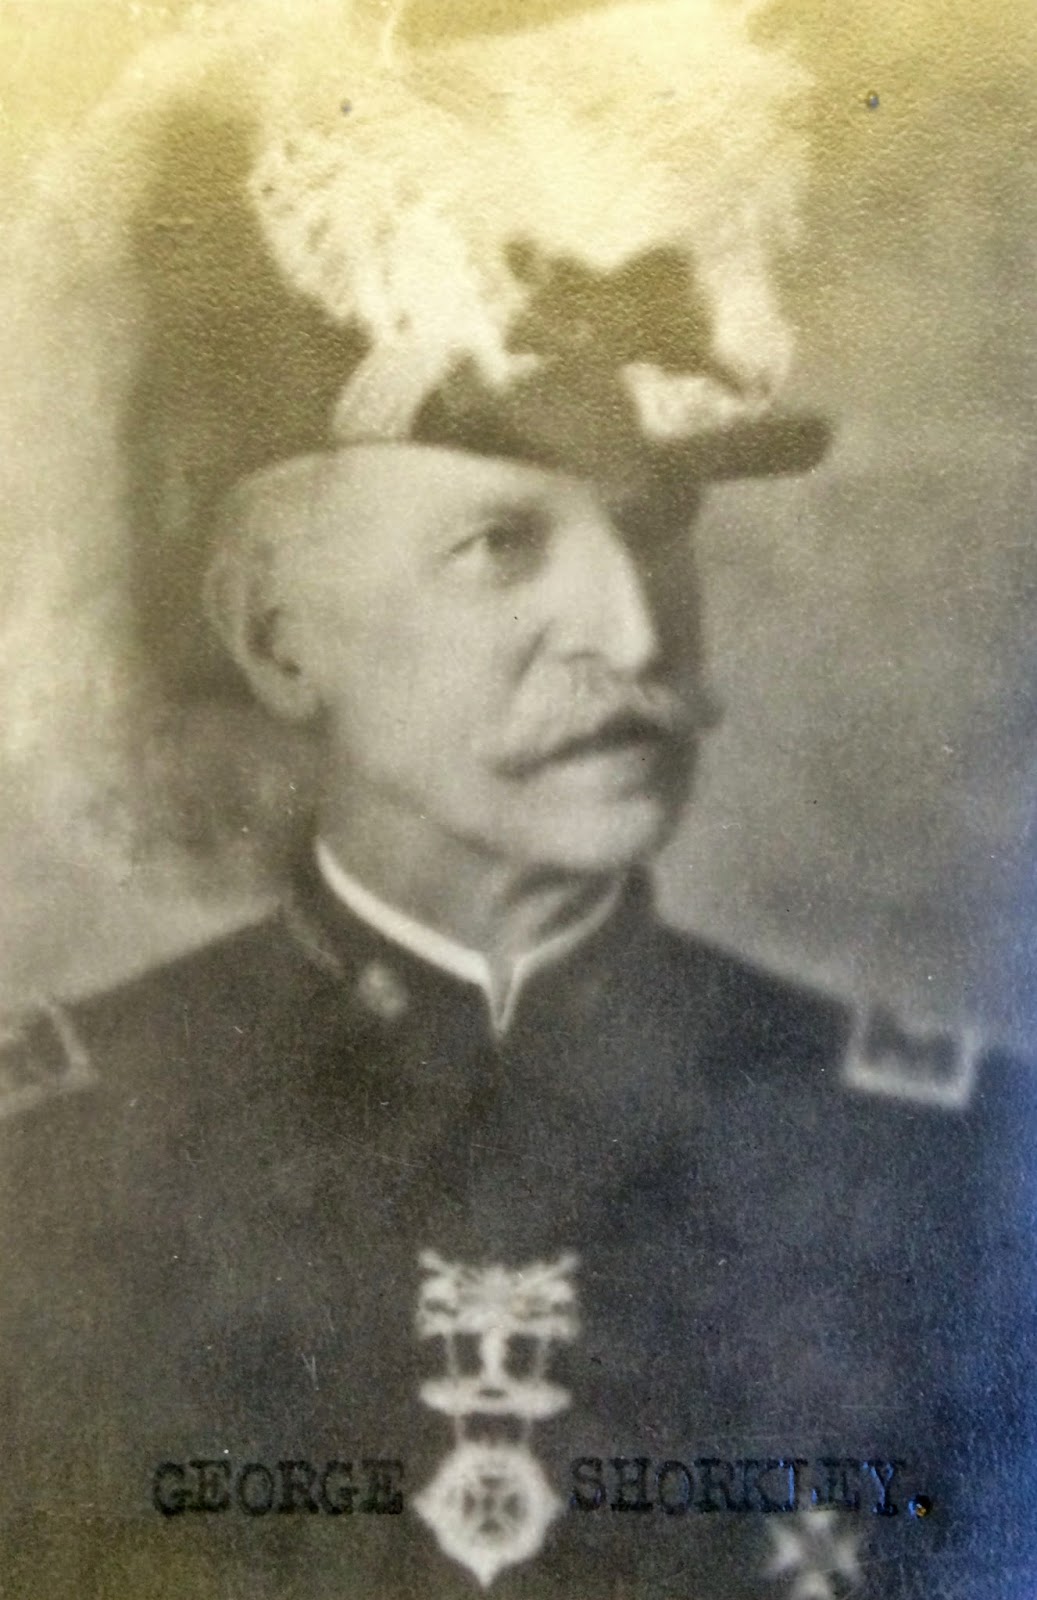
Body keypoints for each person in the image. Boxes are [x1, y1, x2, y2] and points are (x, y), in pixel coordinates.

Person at [0, 3, 1032, 1597]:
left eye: (656, 528)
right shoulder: (42, 1180)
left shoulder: (959, 1177)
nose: (633, 637)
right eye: (499, 546)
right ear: (277, 638)